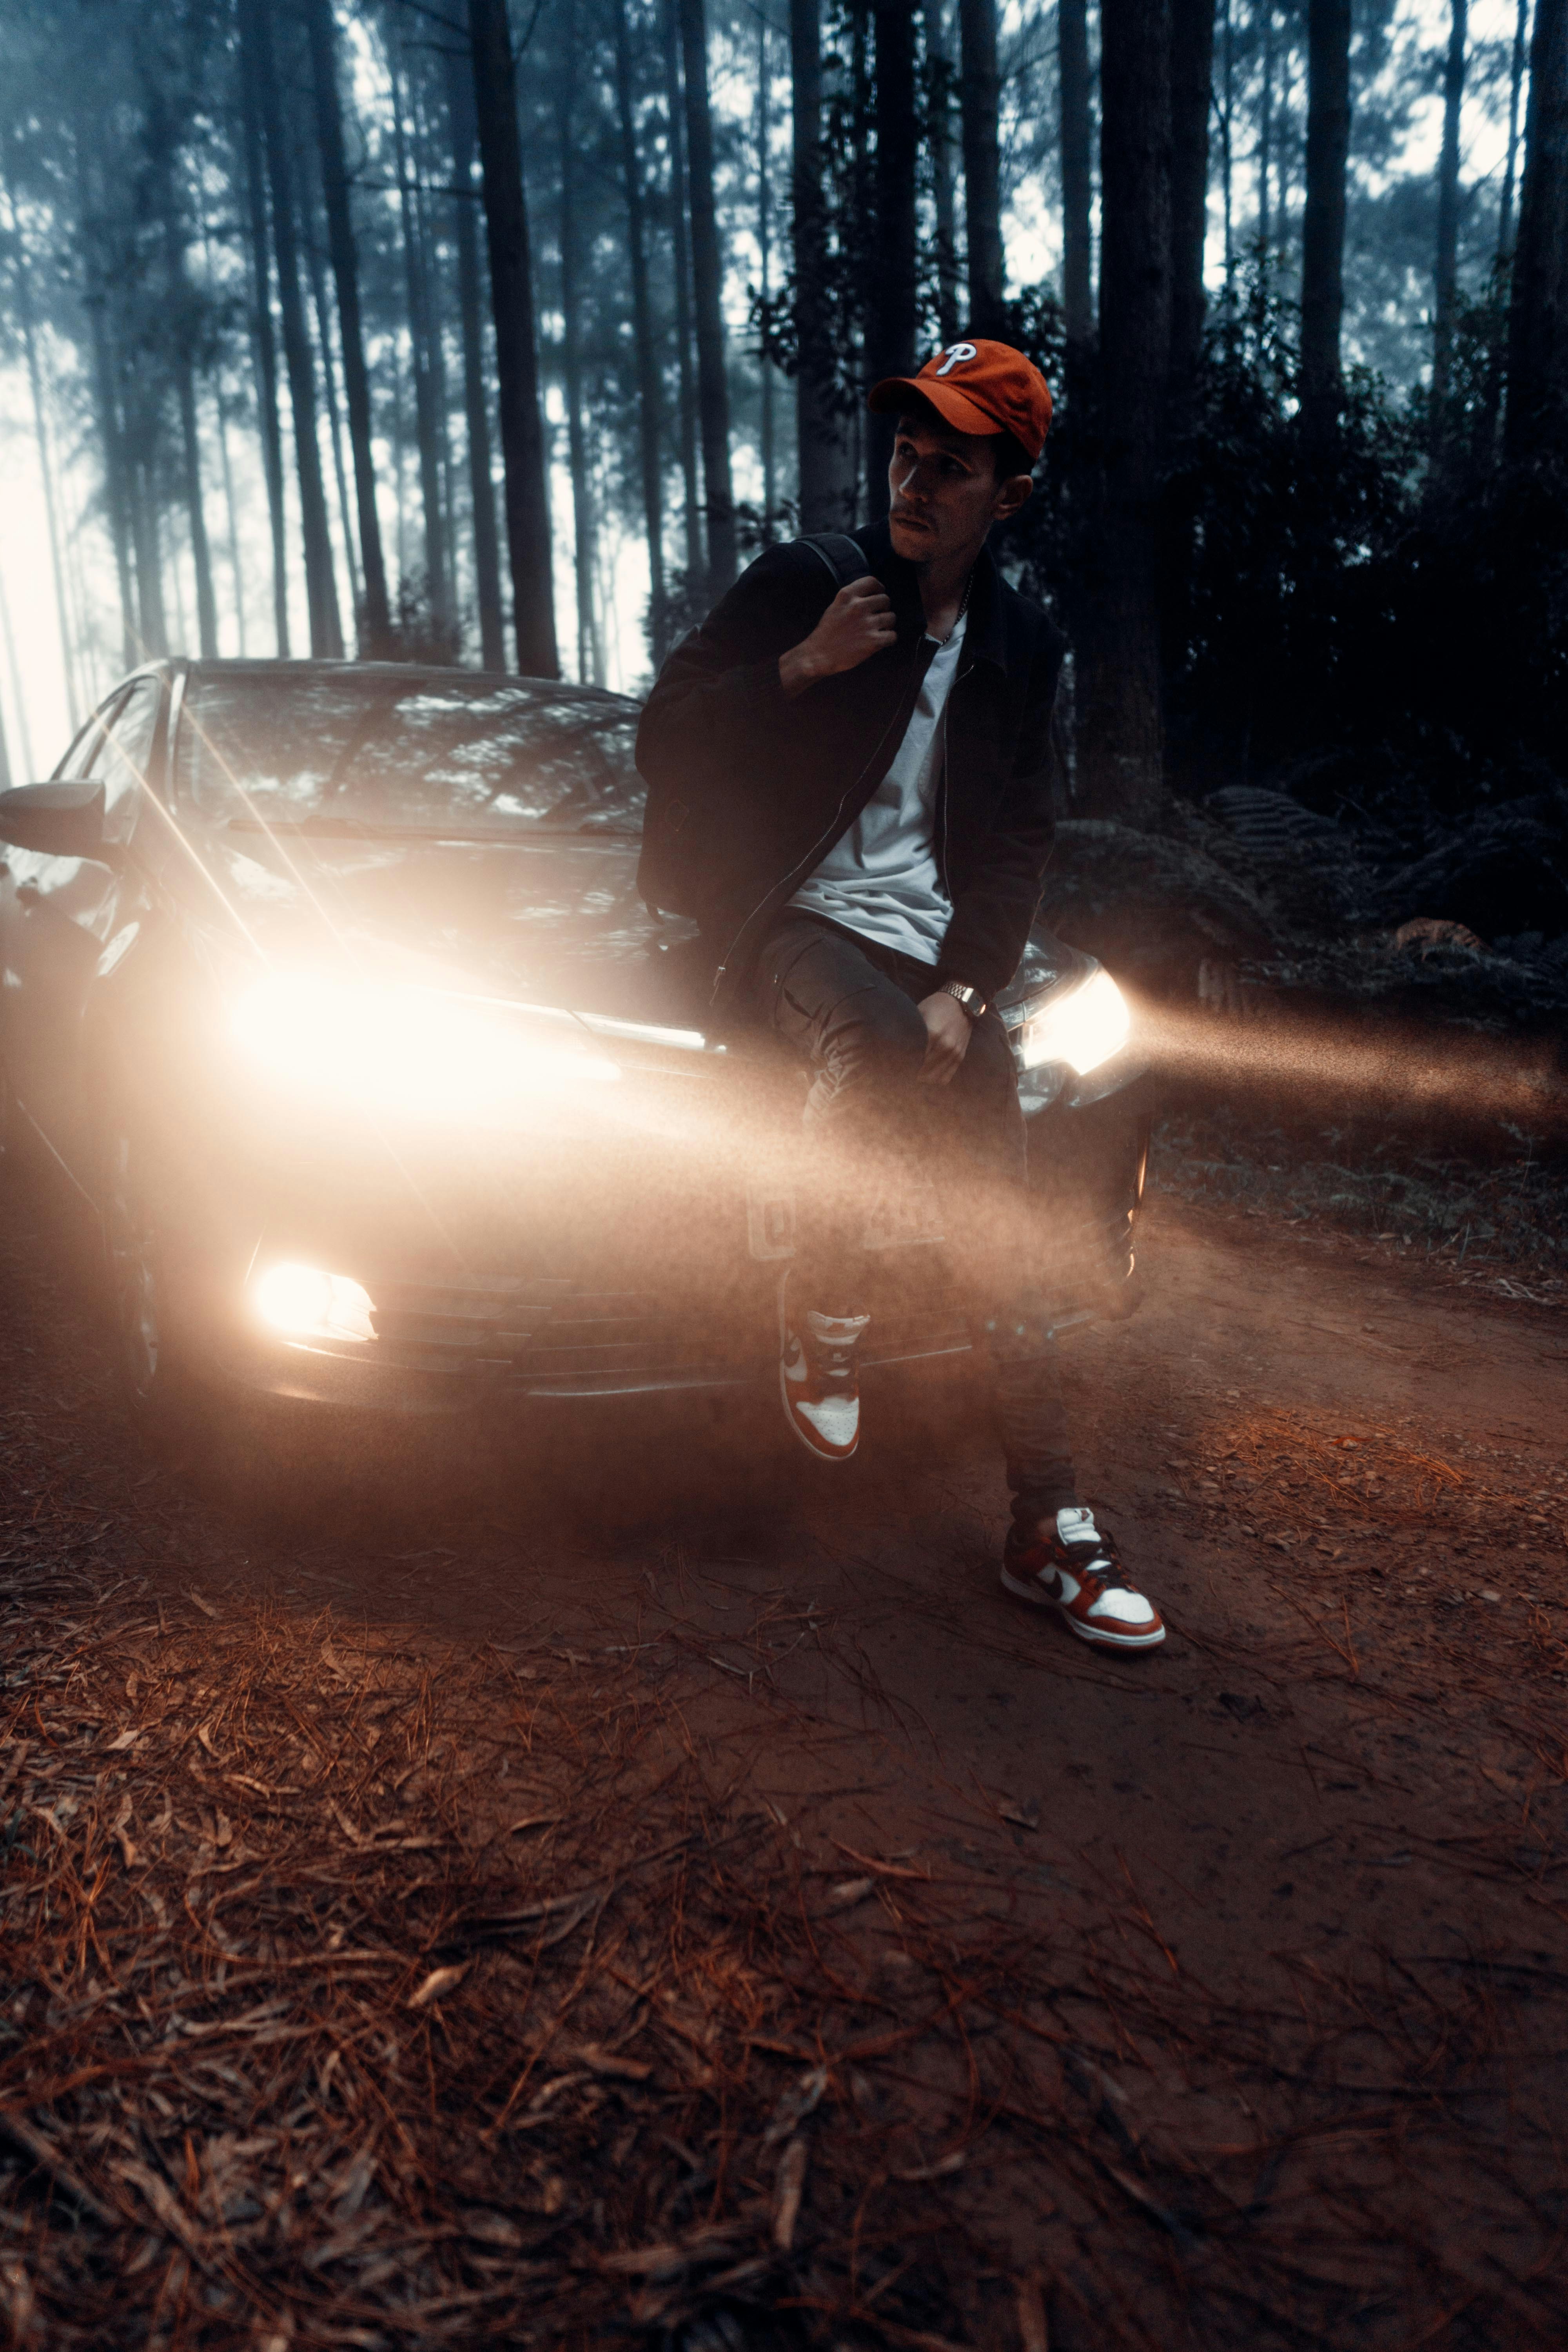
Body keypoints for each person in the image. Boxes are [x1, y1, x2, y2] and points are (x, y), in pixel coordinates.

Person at [635, 339, 1164, 1654]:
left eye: (954, 465)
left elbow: (1021, 841)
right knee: (868, 1054)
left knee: (1010, 1222)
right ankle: (823, 1306)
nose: (917, 481)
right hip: (782, 920)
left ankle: (1047, 1524)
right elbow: (660, 733)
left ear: (1011, 496)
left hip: (927, 952)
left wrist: (974, 993)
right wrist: (802, 667)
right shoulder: (809, 582)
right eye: (906, 453)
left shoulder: (1024, 646)